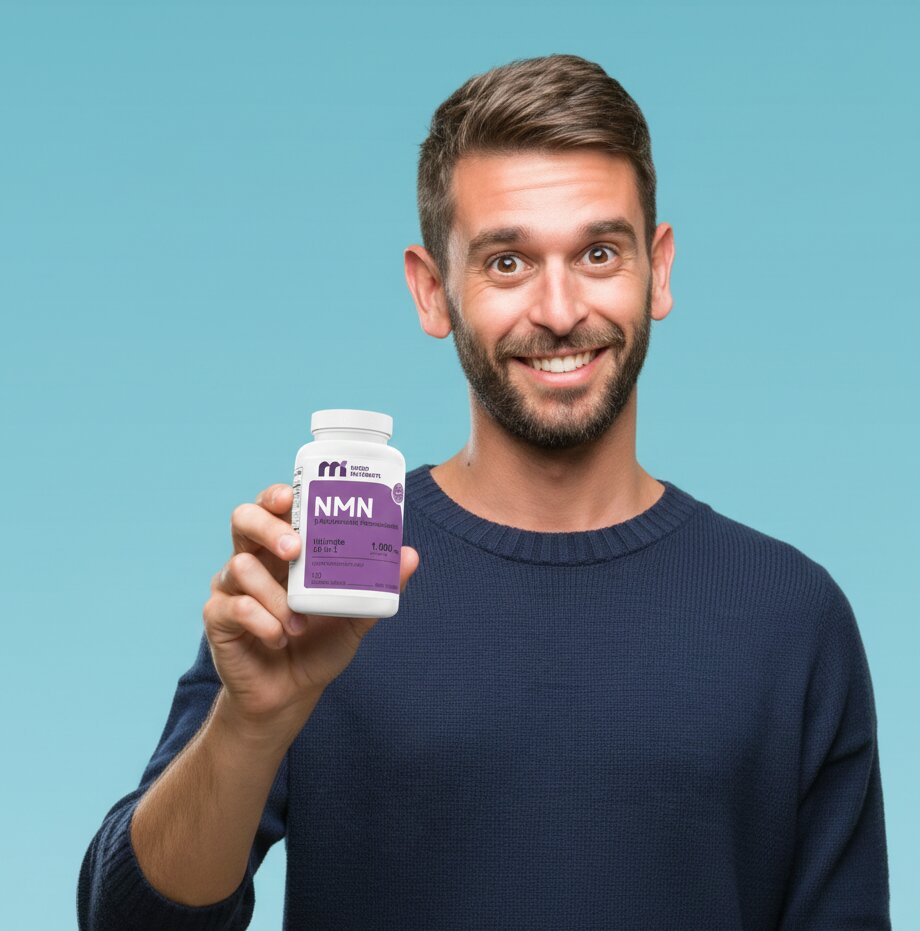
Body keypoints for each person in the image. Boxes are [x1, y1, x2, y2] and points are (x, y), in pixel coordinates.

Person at [78, 53, 891, 930]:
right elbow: (127, 921)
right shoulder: (327, 581)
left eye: (599, 252)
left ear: (659, 270)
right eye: (507, 262)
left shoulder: (788, 614)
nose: (558, 307)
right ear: (434, 291)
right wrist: (247, 726)